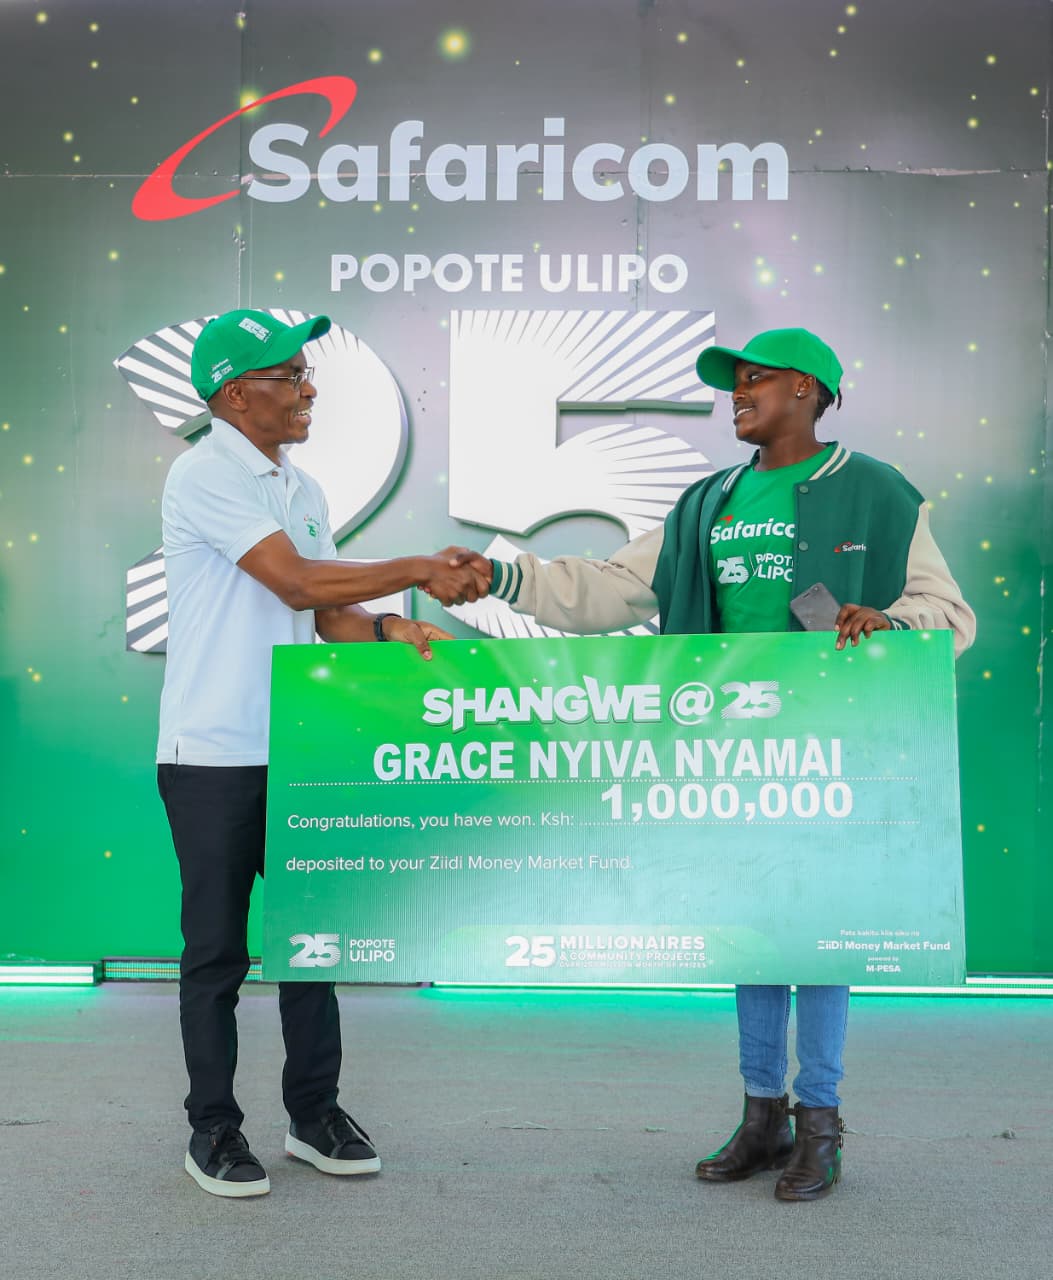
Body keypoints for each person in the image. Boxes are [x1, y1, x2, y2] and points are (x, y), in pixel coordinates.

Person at [459, 327, 975, 1201]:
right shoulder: (707, 502)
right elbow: (609, 589)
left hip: (834, 751)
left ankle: (821, 1121)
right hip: (728, 754)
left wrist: (891, 623)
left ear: (808, 388)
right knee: (752, 925)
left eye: (756, 379)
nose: (737, 394)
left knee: (820, 931)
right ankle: (761, 1116)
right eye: (733, 383)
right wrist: (502, 579)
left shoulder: (878, 491)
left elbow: (948, 616)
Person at [157, 307, 485, 1198]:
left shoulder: (300, 487)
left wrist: (387, 628)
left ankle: (313, 1115)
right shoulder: (203, 472)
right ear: (235, 394)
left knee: (312, 944)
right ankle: (212, 1129)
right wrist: (416, 567)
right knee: (216, 953)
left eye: (308, 374)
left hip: (296, 748)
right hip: (211, 752)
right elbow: (296, 581)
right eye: (291, 376)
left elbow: (325, 613)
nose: (309, 390)